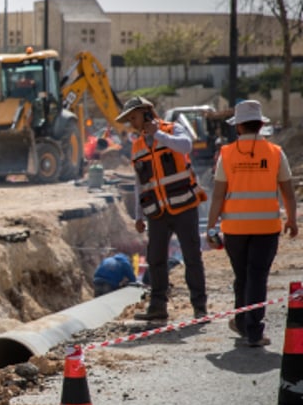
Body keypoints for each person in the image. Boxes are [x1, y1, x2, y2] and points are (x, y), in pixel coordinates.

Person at [205, 99, 298, 347]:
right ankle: (253, 330)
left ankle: (242, 321)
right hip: (266, 229)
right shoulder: (275, 153)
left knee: (242, 276)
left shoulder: (227, 154)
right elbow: (288, 192)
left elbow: (218, 195)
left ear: (238, 127)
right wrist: (292, 219)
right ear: (260, 125)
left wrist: (211, 227)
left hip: (234, 229)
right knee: (257, 277)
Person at [116, 96, 209, 321]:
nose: (132, 123)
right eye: (129, 119)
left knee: (192, 257)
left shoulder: (173, 130)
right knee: (155, 259)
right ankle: (158, 307)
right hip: (157, 212)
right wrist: (139, 215)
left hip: (183, 206)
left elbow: (185, 146)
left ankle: (199, 307)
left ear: (147, 112)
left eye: (134, 117)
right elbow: (140, 183)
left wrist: (158, 134)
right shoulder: (137, 145)